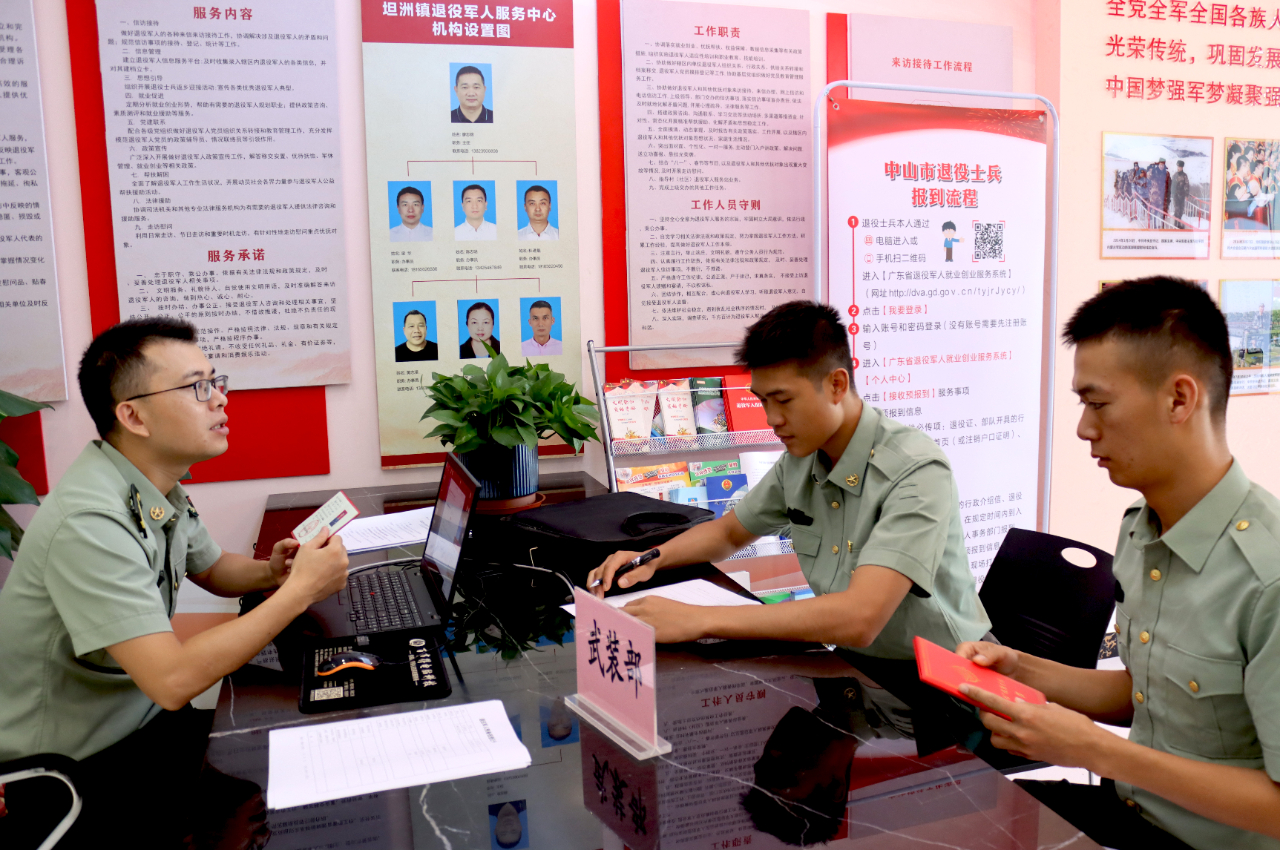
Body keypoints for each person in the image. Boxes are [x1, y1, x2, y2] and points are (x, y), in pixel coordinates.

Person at [954, 278, 1280, 850]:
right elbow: (1146, 694)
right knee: (956, 814)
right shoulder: (1142, 527)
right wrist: (1020, 669)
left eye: (1098, 404)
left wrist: (1092, 749)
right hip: (1131, 811)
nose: (1084, 428)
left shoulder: (1266, 577)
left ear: (1179, 399)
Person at [0, 318, 349, 845]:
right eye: (197, 387)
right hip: (75, 771)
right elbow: (172, 679)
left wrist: (272, 572)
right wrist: (300, 591)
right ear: (133, 416)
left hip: (146, 724)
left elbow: (212, 568)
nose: (220, 399)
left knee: (312, 732)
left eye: (215, 381)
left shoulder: (145, 482)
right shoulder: (89, 522)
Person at [588, 301, 991, 657]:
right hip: (854, 667)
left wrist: (700, 619)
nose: (772, 419)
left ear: (836, 385)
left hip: (940, 681)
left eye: (783, 400)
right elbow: (729, 532)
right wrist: (650, 558)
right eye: (762, 401)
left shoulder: (915, 471)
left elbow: (861, 618)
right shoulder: (803, 458)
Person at [1170, 160, 1190, 229]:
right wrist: (1172, 194)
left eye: (1180, 167)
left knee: (1181, 210)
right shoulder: (1175, 175)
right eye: (1178, 166)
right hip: (1176, 196)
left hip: (1182, 195)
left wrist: (1186, 195)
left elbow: (1186, 185)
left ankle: (1178, 223)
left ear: (1182, 167)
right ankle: (1176, 224)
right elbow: (1172, 186)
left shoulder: (1184, 176)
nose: (1179, 168)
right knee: (1177, 210)